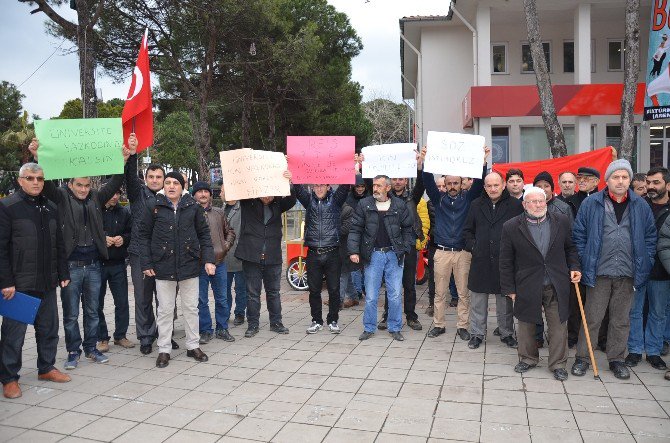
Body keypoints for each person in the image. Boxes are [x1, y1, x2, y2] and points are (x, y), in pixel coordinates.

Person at [29, 138, 127, 369]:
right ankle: (74, 351)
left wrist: (122, 161)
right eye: (79, 185)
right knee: (71, 314)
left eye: (86, 185)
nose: (83, 189)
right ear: (70, 184)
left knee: (93, 311)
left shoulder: (96, 198)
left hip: (94, 265)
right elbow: (48, 183)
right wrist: (37, 157)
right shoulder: (61, 197)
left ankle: (91, 348)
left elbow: (114, 183)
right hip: (71, 267)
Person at [571, 159, 656, 380]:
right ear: (607, 180)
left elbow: (650, 237)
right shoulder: (592, 204)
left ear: (630, 180)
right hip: (598, 272)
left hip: (628, 273)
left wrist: (645, 261)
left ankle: (616, 359)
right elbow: (579, 235)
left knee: (621, 319)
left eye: (625, 177)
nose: (620, 181)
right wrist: (583, 258)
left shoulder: (640, 205)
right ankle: (582, 358)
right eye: (616, 177)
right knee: (592, 318)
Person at [0, 162, 71, 399]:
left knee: (49, 328)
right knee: (13, 335)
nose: (35, 183)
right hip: (19, 285)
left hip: (47, 282)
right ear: (20, 180)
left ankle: (46, 367)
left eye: (39, 179)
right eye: (30, 178)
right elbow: (1, 248)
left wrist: (63, 274)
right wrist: (6, 281)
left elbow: (59, 244)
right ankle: (9, 378)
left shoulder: (50, 207)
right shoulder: (8, 207)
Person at [500, 187, 581, 381]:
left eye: (541, 201)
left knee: (558, 325)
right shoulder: (511, 226)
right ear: (524, 205)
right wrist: (509, 288)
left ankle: (558, 364)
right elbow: (505, 260)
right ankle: (528, 359)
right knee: (526, 324)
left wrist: (575, 266)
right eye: (532, 202)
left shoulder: (561, 221)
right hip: (527, 283)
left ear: (546, 202)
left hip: (556, 282)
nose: (537, 205)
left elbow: (570, 247)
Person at [138, 172, 215, 368]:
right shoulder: (153, 206)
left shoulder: (193, 207)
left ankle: (193, 346)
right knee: (164, 310)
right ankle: (164, 349)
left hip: (189, 265)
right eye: (168, 183)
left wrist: (208, 260)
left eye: (175, 183)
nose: (171, 186)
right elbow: (143, 236)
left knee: (191, 308)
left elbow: (204, 235)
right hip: (162, 267)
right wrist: (146, 263)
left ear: (182, 186)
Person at [423, 148, 489, 340]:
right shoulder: (438, 199)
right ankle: (439, 324)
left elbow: (478, 184)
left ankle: (463, 326)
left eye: (456, 183)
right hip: (442, 252)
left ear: (461, 184)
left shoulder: (468, 199)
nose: (452, 186)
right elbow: (427, 182)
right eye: (449, 183)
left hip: (462, 253)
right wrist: (426, 162)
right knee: (440, 293)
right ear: (444, 184)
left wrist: (482, 163)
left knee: (463, 293)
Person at [348, 175, 414, 341]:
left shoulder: (399, 205)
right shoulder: (365, 204)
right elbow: (355, 229)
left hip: (394, 255)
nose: (375, 188)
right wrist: (353, 251)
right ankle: (369, 328)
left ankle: (395, 327)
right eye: (374, 185)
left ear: (388, 188)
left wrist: (405, 248)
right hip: (373, 255)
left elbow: (408, 228)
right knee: (370, 295)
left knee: (395, 294)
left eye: (379, 185)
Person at [464, 172, 524, 349]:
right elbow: (467, 231)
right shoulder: (476, 204)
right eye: (489, 185)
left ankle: (506, 333)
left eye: (496, 185)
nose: (492, 188)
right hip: (480, 260)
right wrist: (473, 246)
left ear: (503, 185)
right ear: (484, 187)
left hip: (504, 262)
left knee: (505, 302)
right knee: (478, 301)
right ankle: (476, 333)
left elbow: (521, 231)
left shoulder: (515, 205)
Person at [235, 172, 296, 338]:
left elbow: (292, 198)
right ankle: (253, 324)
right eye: (264, 192)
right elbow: (239, 188)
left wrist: (289, 181)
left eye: (271, 193)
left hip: (273, 255)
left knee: (274, 292)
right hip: (251, 255)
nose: (267, 196)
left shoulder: (278, 204)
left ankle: (276, 322)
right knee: (253, 293)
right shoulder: (248, 203)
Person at [125, 140, 167, 355]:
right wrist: (133, 155)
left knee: (164, 298)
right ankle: (146, 337)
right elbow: (129, 177)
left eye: (158, 177)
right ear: (145, 178)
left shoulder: (170, 197)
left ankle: (164, 335)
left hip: (163, 256)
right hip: (139, 254)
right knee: (143, 298)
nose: (154, 180)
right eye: (151, 176)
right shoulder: (137, 194)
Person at [294, 178, 351, 335]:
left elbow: (345, 186)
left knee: (334, 289)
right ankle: (316, 321)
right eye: (316, 185)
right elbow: (298, 189)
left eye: (322, 185)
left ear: (328, 186)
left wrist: (352, 168)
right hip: (313, 253)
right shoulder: (308, 201)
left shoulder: (335, 200)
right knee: (314, 290)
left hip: (332, 252)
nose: (319, 188)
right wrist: (290, 170)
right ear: (312, 187)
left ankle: (333, 320)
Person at [626, 167, 670, 370]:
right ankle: (634, 350)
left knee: (658, 313)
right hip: (638, 269)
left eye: (656, 183)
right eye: (649, 182)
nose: (651, 187)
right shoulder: (638, 206)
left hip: (662, 271)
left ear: (667, 185)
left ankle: (653, 351)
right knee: (634, 311)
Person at [378, 151, 426, 331]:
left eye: (401, 179)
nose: (398, 182)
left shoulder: (412, 198)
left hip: (409, 247)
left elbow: (422, 184)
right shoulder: (384, 199)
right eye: (395, 179)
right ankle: (387, 315)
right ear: (390, 183)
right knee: (391, 284)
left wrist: (420, 166)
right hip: (389, 247)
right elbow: (370, 186)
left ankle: (411, 316)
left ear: (406, 181)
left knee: (409, 284)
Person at [193, 181, 236, 344]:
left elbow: (230, 232)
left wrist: (225, 246)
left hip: (219, 263)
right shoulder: (190, 213)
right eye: (199, 192)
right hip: (199, 264)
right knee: (201, 300)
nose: (203, 194)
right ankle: (205, 330)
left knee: (222, 298)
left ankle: (222, 328)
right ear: (194, 194)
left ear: (210, 194)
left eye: (206, 191)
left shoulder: (219, 213)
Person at [96, 187, 134, 353]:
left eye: (117, 193)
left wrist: (123, 239)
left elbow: (131, 232)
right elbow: (88, 232)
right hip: (97, 264)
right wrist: (102, 239)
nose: (114, 197)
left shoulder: (124, 212)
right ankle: (102, 337)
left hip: (118, 263)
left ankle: (120, 335)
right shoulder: (95, 210)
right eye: (111, 193)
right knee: (97, 303)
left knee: (122, 301)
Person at [222, 185, 247, 326]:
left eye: (222, 190)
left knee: (241, 288)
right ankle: (225, 313)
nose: (220, 193)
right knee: (224, 289)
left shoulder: (242, 207)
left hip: (239, 255)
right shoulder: (221, 209)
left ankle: (240, 313)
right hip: (224, 257)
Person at [339, 202, 359, 308]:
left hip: (346, 247)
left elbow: (346, 229)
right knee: (346, 275)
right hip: (337, 248)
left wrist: (330, 230)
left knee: (342, 274)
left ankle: (338, 300)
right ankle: (354, 297)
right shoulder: (331, 209)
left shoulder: (348, 210)